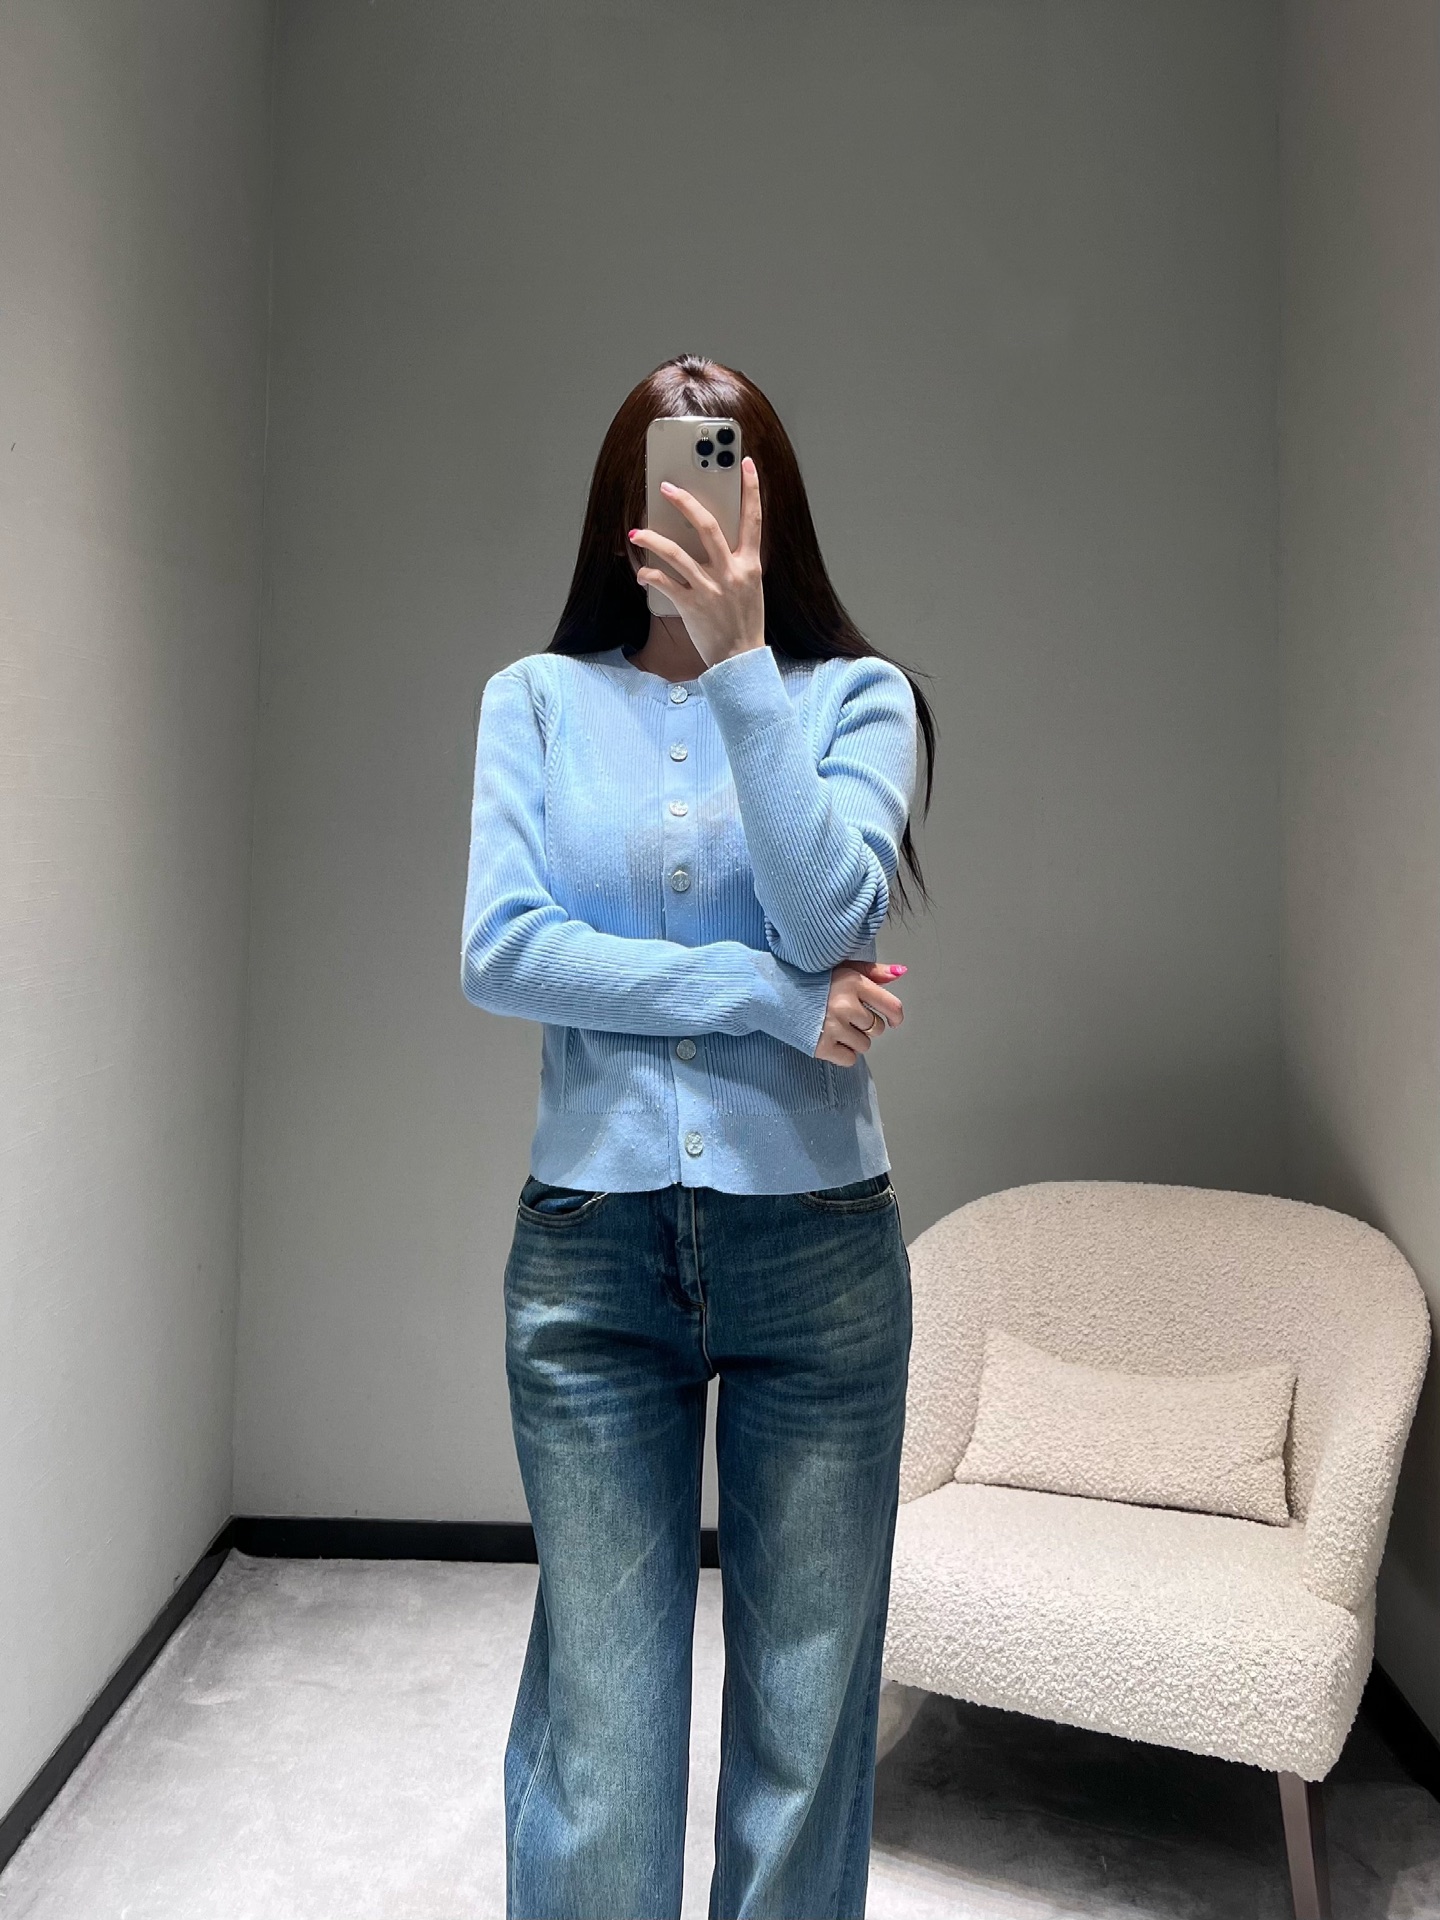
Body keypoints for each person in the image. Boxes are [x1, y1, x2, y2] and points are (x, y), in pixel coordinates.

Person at [461, 353, 937, 1920]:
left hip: (820, 1254)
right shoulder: (534, 703)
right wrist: (763, 1000)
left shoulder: (856, 701)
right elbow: (503, 952)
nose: (699, 512)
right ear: (622, 515)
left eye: (728, 480)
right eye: (665, 481)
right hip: (593, 1257)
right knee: (604, 1727)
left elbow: (831, 914)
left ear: (769, 509)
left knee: (807, 1716)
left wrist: (743, 672)